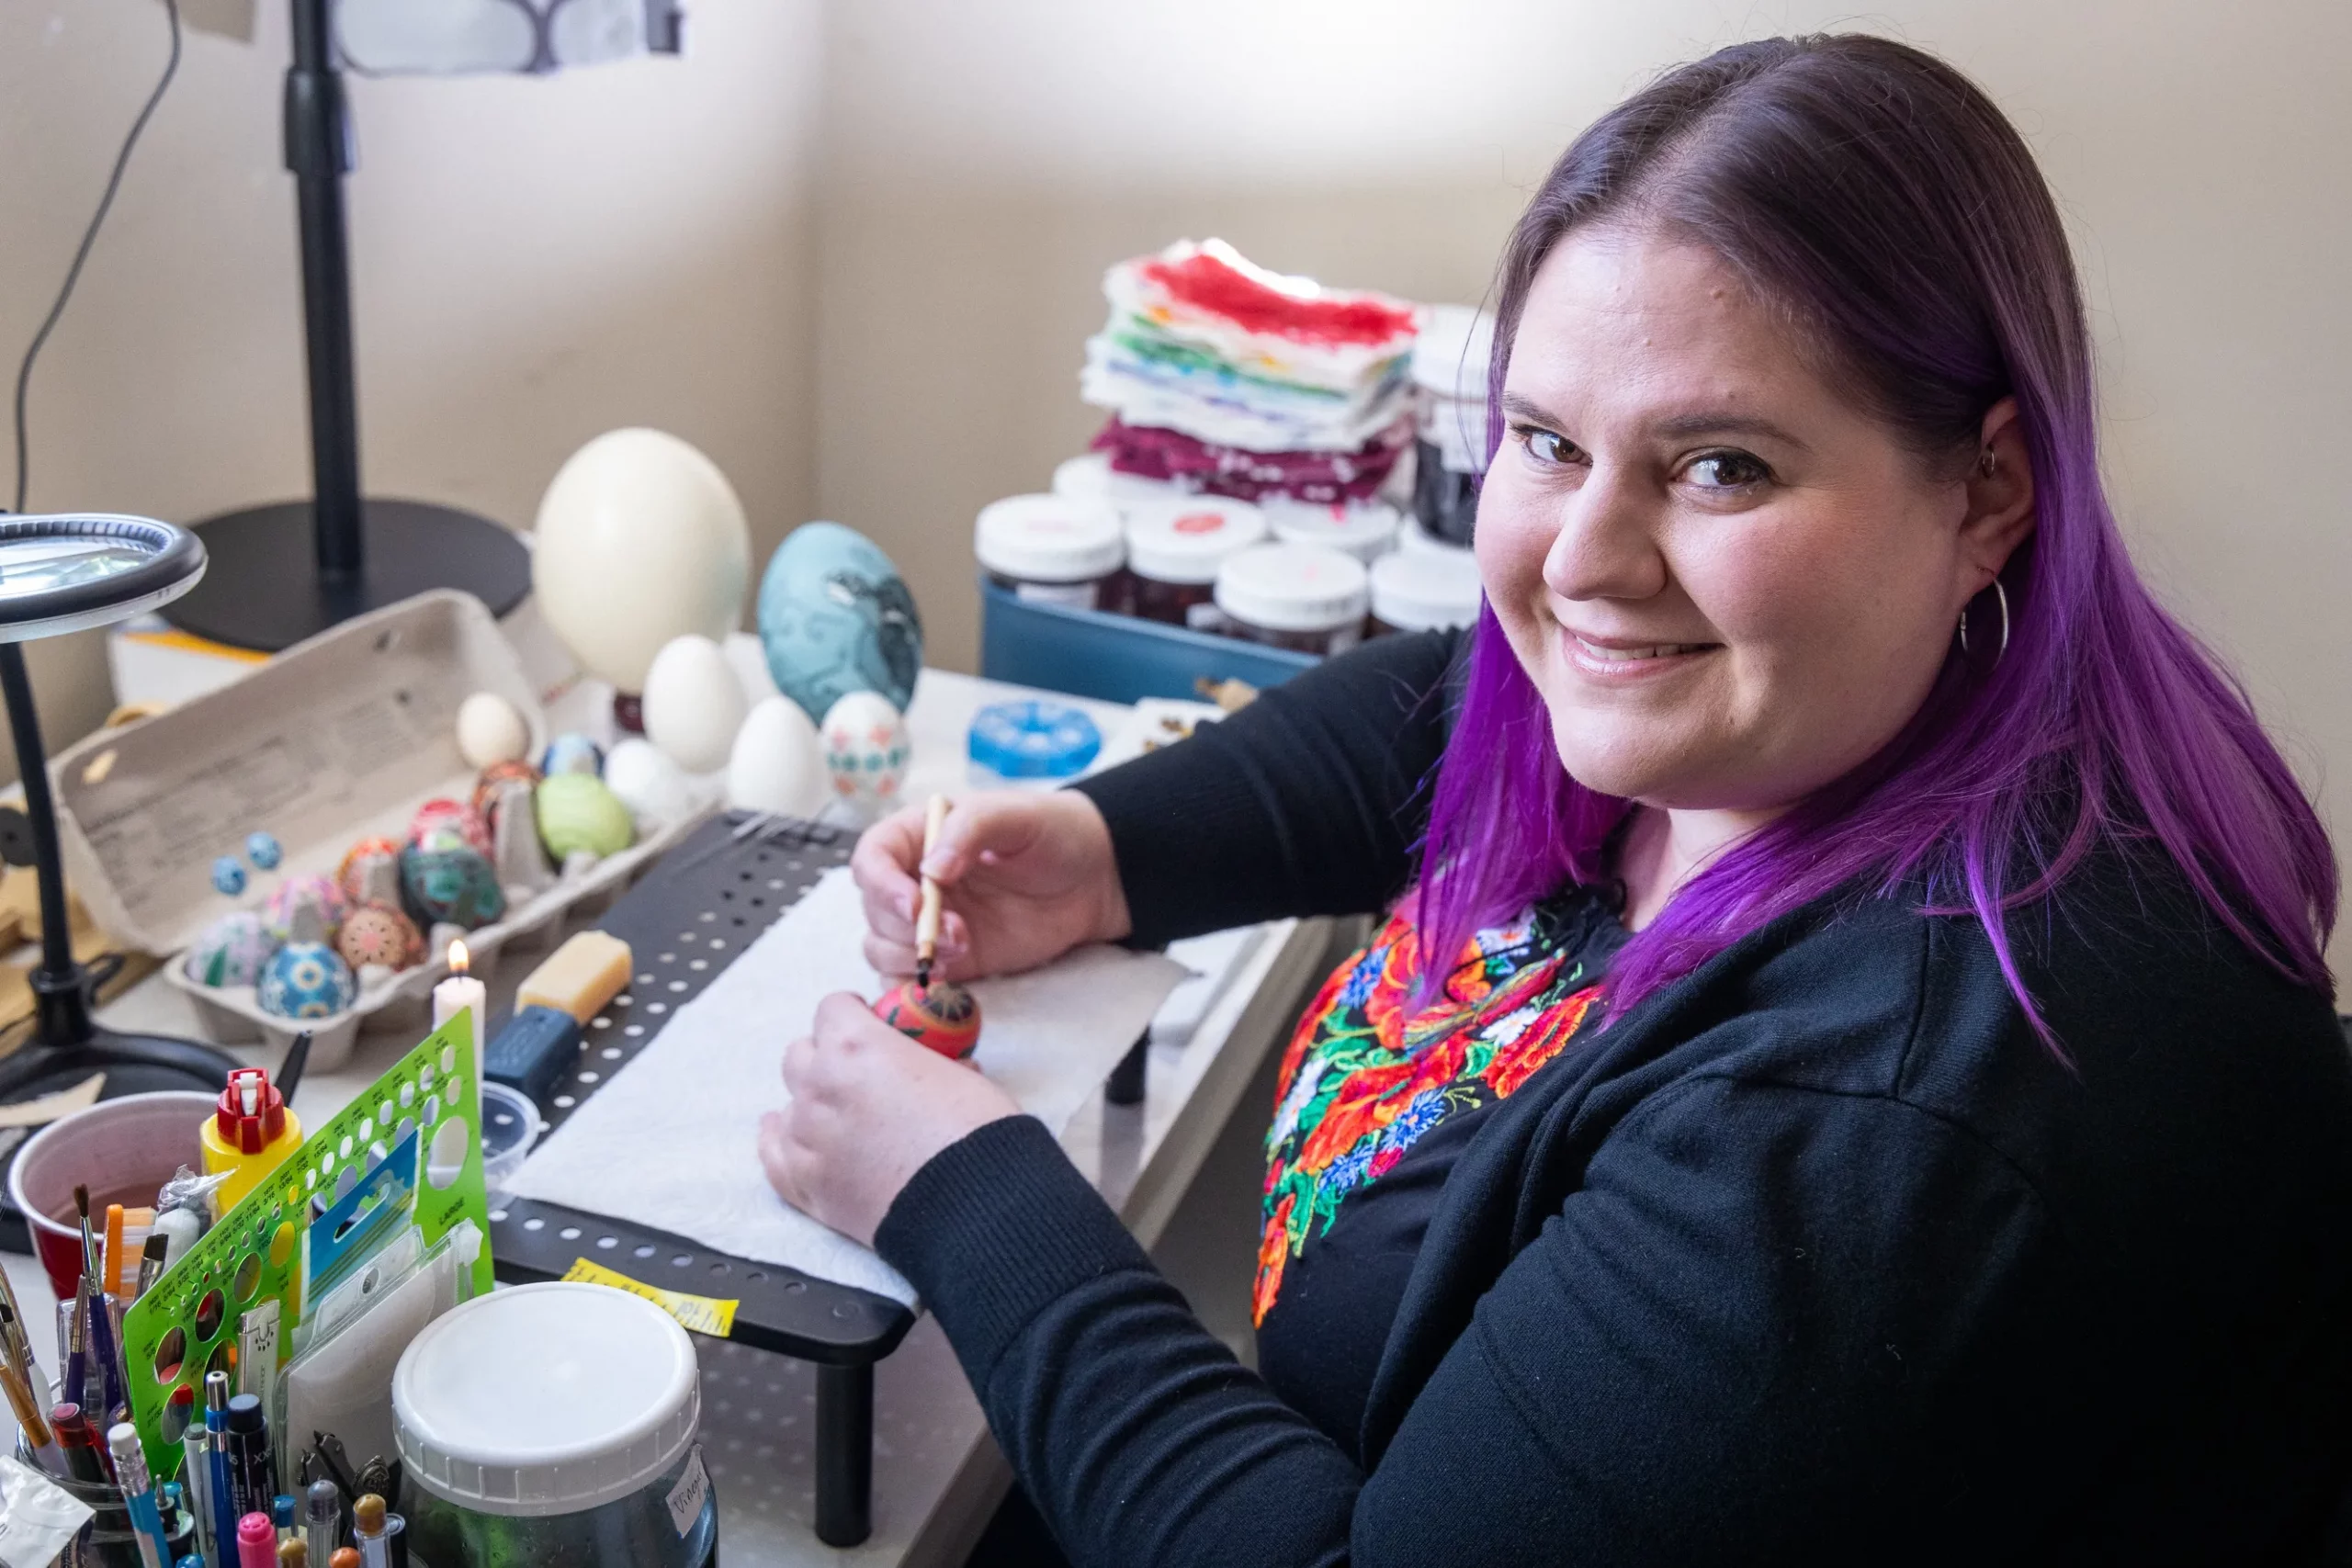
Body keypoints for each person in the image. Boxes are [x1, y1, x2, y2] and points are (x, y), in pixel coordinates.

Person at [759, 33, 2352, 1565]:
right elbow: (1459, 700)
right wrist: (1112, 847)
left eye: (1721, 465)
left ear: (1987, 489)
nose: (1584, 561)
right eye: (1545, 440)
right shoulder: (1817, 717)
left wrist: (962, 1190)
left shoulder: (1895, 1117)